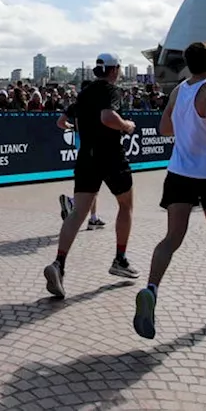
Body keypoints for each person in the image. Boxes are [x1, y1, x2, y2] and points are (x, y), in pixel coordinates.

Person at [133, 42, 206, 339]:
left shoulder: (178, 90)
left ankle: (151, 289)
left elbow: (164, 129)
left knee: (172, 238)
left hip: (180, 172)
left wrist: (187, 128)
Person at [43, 53, 140, 299]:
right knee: (126, 205)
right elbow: (108, 117)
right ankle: (120, 259)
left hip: (86, 157)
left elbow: (62, 120)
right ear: (113, 70)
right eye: (117, 68)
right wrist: (127, 125)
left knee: (78, 213)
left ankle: (59, 264)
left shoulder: (83, 94)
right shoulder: (111, 91)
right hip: (111, 156)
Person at [56, 82, 105, 229]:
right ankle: (73, 203)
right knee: (92, 181)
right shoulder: (94, 105)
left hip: (80, 142)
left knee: (92, 180)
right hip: (91, 144)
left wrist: (72, 127)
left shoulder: (75, 105)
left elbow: (60, 122)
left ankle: (93, 217)